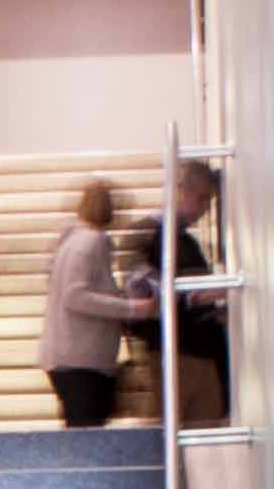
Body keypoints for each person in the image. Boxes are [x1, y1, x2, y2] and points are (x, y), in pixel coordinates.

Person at [37, 180, 157, 426]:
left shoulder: (69, 242)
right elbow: (76, 295)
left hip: (68, 355)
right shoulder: (91, 242)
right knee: (87, 432)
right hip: (82, 358)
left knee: (79, 429)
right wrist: (133, 307)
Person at [124, 159, 231, 424]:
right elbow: (141, 293)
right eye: (202, 198)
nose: (205, 209)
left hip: (200, 358)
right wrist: (195, 294)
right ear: (179, 190)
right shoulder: (144, 233)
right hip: (167, 357)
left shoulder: (188, 242)